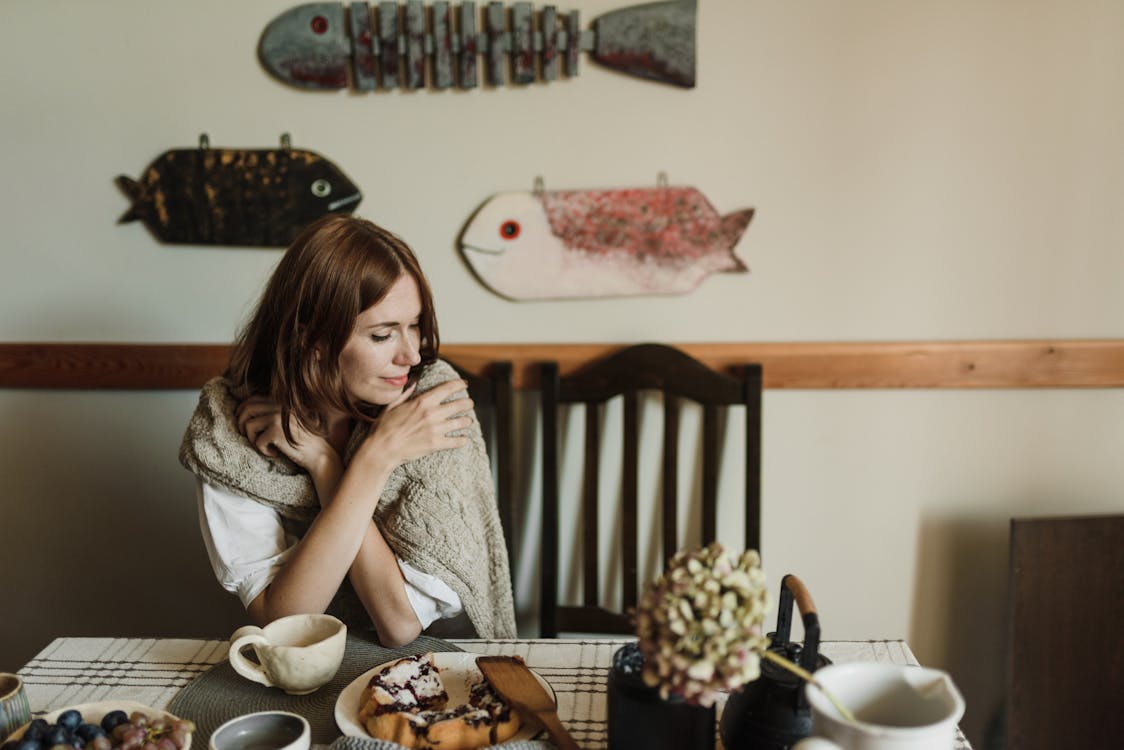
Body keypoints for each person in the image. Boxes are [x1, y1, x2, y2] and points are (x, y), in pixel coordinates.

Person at [179, 214, 516, 646]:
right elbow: (283, 621)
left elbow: (398, 624)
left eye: (414, 325)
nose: (411, 355)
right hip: (310, 671)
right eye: (382, 335)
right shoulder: (227, 431)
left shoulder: (429, 401)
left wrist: (342, 463)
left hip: (450, 658)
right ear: (311, 342)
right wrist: (350, 463)